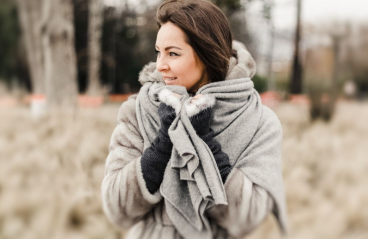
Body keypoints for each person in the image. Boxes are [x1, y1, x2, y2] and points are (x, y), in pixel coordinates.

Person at [101, 0, 288, 238]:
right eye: (158, 52)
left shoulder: (259, 122)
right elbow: (117, 209)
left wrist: (205, 144)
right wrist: (162, 146)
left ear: (207, 54)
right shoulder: (138, 111)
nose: (160, 65)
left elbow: (248, 219)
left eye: (173, 53)